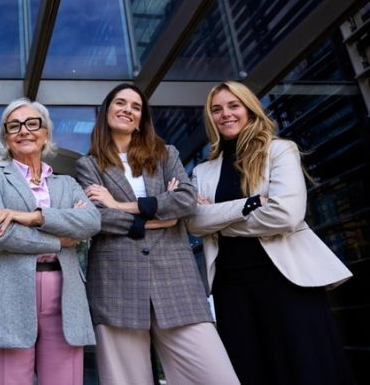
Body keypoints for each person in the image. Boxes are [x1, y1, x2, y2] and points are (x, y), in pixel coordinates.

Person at [184, 80, 354, 385]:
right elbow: (195, 222)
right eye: (217, 109)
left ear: (249, 109)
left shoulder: (279, 150)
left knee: (305, 370)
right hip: (230, 287)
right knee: (250, 372)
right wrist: (249, 204)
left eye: (233, 106)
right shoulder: (202, 171)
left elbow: (286, 214)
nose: (225, 114)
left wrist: (221, 221)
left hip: (285, 279)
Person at [75, 82, 239, 385]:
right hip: (115, 281)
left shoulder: (165, 154)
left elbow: (185, 201)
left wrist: (119, 205)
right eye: (120, 103)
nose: (128, 110)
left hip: (175, 277)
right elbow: (96, 217)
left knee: (215, 376)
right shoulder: (88, 165)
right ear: (107, 111)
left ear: (141, 119)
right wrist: (162, 218)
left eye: (136, 107)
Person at [0, 98, 101, 385]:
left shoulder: (67, 183)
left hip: (64, 291)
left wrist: (32, 217)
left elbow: (91, 221)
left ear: (45, 133)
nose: (23, 130)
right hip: (5, 291)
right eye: (14, 126)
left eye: (32, 123)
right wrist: (59, 241)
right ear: (6, 137)